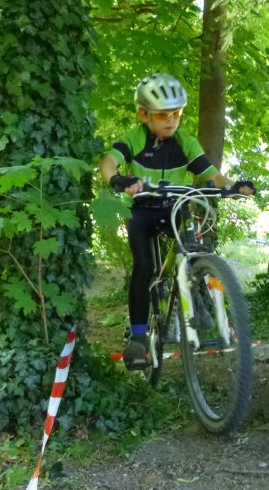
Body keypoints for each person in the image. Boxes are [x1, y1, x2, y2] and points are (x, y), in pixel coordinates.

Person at [99, 73, 255, 370]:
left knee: (193, 247)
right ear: (144, 115)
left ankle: (194, 293)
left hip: (175, 205)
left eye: (176, 114)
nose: (171, 121)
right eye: (162, 115)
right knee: (144, 266)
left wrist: (233, 186)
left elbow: (212, 174)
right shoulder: (134, 138)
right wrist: (117, 178)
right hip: (143, 209)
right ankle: (138, 338)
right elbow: (108, 162)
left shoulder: (184, 141)